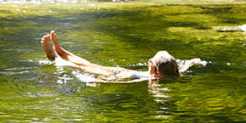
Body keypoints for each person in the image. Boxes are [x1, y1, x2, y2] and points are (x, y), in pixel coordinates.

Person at [41, 30, 205, 83]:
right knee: (86, 64)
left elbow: (123, 84)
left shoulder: (151, 80)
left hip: (113, 75)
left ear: (152, 66)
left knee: (81, 67)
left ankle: (55, 56)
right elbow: (184, 67)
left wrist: (97, 81)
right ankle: (60, 50)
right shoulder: (175, 74)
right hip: (118, 72)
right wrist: (193, 62)